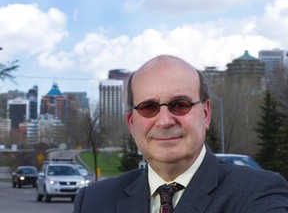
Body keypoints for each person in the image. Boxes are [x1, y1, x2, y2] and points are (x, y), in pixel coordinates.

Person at [73, 55, 288, 213]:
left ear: (205, 114)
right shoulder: (93, 202)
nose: (165, 121)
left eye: (180, 105)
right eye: (149, 107)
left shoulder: (259, 193)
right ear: (132, 123)